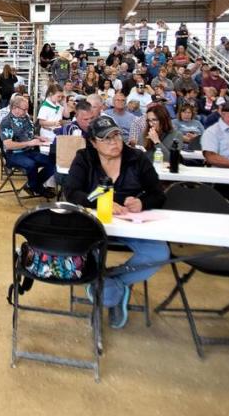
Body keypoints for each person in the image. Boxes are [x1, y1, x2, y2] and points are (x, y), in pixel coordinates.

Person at [64, 115, 168, 328]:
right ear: (93, 142)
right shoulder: (84, 158)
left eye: (116, 136)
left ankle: (111, 280)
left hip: (130, 223)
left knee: (159, 253)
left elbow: (158, 193)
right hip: (94, 224)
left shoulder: (137, 158)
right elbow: (71, 192)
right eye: (106, 139)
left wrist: (141, 202)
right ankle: (108, 286)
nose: (114, 142)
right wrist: (97, 202)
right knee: (81, 251)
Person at [0, 94, 55, 197]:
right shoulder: (6, 122)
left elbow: (28, 134)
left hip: (30, 151)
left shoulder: (25, 117)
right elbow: (8, 145)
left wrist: (38, 137)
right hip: (13, 154)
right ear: (15, 108)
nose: (26, 112)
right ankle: (37, 187)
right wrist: (29, 143)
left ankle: (32, 185)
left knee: (53, 162)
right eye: (24, 109)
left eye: (27, 109)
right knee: (31, 164)